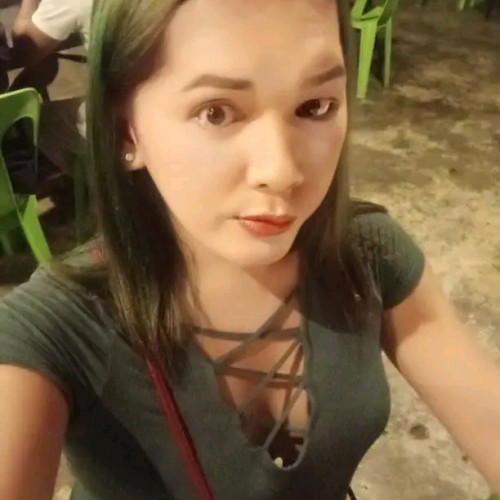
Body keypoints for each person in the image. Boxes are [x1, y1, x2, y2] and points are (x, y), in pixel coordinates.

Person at [0, 0, 499, 499]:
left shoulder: (367, 254)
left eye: (316, 106)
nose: (281, 171)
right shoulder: (56, 331)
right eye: (216, 113)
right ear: (125, 131)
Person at [8, 0, 93, 175]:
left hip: (126, 124)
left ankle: (89, 177)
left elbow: (24, 48)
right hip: (150, 97)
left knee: (40, 121)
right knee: (44, 65)